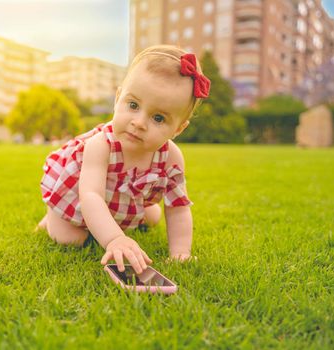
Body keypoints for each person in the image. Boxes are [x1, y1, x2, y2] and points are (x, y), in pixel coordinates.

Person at [37, 45, 210, 275]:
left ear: (178, 128)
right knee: (71, 239)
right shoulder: (101, 145)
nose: (139, 122)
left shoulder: (171, 157)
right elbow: (91, 195)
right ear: (118, 99)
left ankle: (115, 221)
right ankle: (51, 219)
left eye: (158, 118)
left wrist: (180, 252)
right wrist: (115, 239)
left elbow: (177, 208)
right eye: (133, 105)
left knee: (153, 216)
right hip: (80, 200)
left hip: (122, 202)